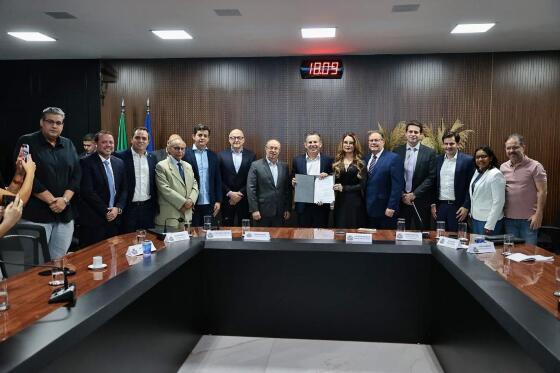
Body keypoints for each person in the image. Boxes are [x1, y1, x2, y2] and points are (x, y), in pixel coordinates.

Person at [14, 107, 81, 259]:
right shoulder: (27, 141)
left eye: (58, 123)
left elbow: (77, 174)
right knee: (35, 263)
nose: (54, 126)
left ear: (63, 125)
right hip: (36, 215)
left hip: (64, 214)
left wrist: (64, 200)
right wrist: (51, 200)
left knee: (58, 261)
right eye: (50, 122)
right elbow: (24, 174)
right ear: (41, 122)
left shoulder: (68, 144)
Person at [79, 131, 127, 247]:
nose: (108, 145)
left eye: (111, 142)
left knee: (113, 255)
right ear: (96, 144)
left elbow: (124, 189)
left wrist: (118, 208)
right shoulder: (85, 162)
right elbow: (88, 192)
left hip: (114, 220)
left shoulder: (119, 163)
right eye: (104, 142)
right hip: (94, 221)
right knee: (92, 257)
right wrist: (106, 211)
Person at [500, 134, 547, 244]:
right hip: (508, 219)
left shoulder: (535, 166)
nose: (511, 150)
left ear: (523, 147)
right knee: (511, 253)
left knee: (528, 255)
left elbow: (542, 191)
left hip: (529, 220)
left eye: (515, 147)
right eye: (508, 148)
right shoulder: (503, 167)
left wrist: (539, 214)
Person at [114, 127, 159, 232]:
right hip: (128, 209)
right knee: (127, 243)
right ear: (131, 139)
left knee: (148, 241)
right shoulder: (119, 157)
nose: (141, 141)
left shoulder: (153, 158)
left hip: (148, 208)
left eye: (144, 138)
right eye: (137, 137)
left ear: (148, 141)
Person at [394, 121, 436, 230]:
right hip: (401, 200)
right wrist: (402, 194)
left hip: (421, 200)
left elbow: (431, 177)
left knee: (422, 233)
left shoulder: (430, 153)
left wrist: (414, 194)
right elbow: (394, 176)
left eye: (416, 132)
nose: (413, 134)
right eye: (410, 131)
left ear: (421, 135)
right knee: (401, 233)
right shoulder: (396, 151)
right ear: (405, 133)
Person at [431, 131, 475, 232]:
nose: (448, 146)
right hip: (440, 207)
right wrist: (433, 204)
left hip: (458, 208)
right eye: (446, 144)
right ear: (442, 145)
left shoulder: (467, 161)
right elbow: (433, 184)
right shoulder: (437, 160)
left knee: (458, 239)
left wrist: (466, 206)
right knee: (439, 238)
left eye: (452, 143)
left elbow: (471, 186)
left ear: (458, 144)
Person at [291, 132, 333, 228]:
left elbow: (334, 179)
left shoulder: (328, 160)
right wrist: (292, 182)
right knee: (303, 237)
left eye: (315, 142)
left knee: (321, 237)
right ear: (305, 144)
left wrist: (328, 175)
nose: (313, 144)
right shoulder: (297, 160)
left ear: (320, 144)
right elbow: (292, 178)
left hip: (321, 205)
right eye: (310, 142)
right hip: (303, 205)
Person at [155, 138, 198, 230]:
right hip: (170, 216)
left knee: (186, 244)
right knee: (167, 244)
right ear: (169, 149)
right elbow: (164, 189)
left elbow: (195, 185)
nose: (180, 151)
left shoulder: (188, 166)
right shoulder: (161, 166)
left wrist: (191, 200)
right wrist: (183, 203)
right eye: (177, 148)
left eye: (183, 148)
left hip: (186, 216)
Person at [363, 130, 404, 229]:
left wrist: (391, 206)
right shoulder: (365, 159)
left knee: (385, 241)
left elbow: (397, 186)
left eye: (376, 140)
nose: (373, 143)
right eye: (371, 140)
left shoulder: (394, 158)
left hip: (385, 210)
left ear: (383, 142)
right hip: (367, 209)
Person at [183, 124, 222, 226]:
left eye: (205, 136)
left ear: (208, 138)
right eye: (200, 135)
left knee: (209, 234)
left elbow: (217, 180)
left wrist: (218, 201)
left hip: (210, 204)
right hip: (192, 203)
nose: (202, 138)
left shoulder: (213, 156)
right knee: (193, 235)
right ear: (193, 136)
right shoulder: (185, 154)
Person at [247, 139, 291, 227]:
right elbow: (251, 189)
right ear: (266, 149)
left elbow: (287, 189)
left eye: (276, 148)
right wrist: (254, 209)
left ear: (279, 150)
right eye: (271, 148)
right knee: (261, 239)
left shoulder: (284, 166)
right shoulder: (256, 165)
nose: (273, 150)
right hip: (261, 212)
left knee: (278, 239)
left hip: (280, 212)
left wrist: (287, 208)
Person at [217, 129, 256, 226]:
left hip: (244, 199)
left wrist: (240, 193)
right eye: (233, 138)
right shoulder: (221, 155)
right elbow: (218, 178)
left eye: (239, 137)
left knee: (244, 230)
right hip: (227, 200)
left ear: (243, 140)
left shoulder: (251, 156)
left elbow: (252, 179)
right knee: (226, 228)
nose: (236, 140)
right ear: (229, 139)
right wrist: (230, 193)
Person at [332, 133, 367, 228]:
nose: (348, 145)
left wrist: (344, 188)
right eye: (345, 142)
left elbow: (362, 185)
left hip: (355, 201)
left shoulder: (361, 162)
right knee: (340, 228)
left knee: (354, 229)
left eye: (351, 143)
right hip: (340, 202)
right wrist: (325, 176)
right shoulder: (336, 161)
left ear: (355, 145)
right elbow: (332, 181)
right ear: (342, 144)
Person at [469, 146, 505, 235]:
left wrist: (490, 225)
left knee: (488, 248)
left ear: (491, 158)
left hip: (488, 221)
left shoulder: (496, 174)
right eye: (477, 157)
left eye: (484, 156)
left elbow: (499, 202)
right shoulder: (478, 171)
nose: (480, 159)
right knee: (477, 247)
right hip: (475, 218)